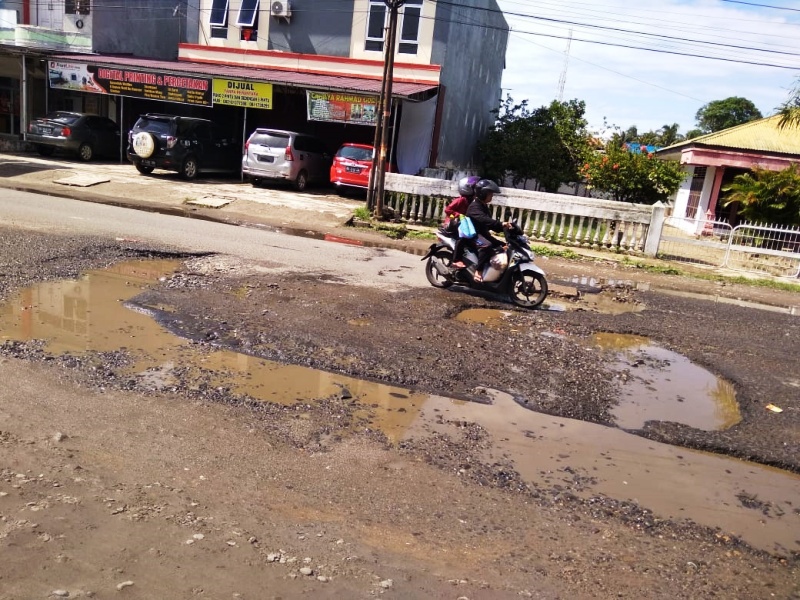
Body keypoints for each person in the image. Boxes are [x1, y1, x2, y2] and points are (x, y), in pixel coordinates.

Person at [465, 179, 511, 283]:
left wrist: (504, 227)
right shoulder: (474, 207)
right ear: (482, 194)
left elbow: (489, 224)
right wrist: (500, 224)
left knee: (503, 246)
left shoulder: (483, 206)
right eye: (490, 194)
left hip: (483, 234)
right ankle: (478, 272)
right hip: (473, 235)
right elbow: (484, 220)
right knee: (487, 246)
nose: (492, 196)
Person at [443, 176, 479, 269]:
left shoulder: (472, 200)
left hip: (463, 223)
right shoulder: (461, 200)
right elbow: (448, 210)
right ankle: (456, 260)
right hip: (452, 224)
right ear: (467, 188)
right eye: (474, 187)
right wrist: (458, 215)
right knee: (462, 238)